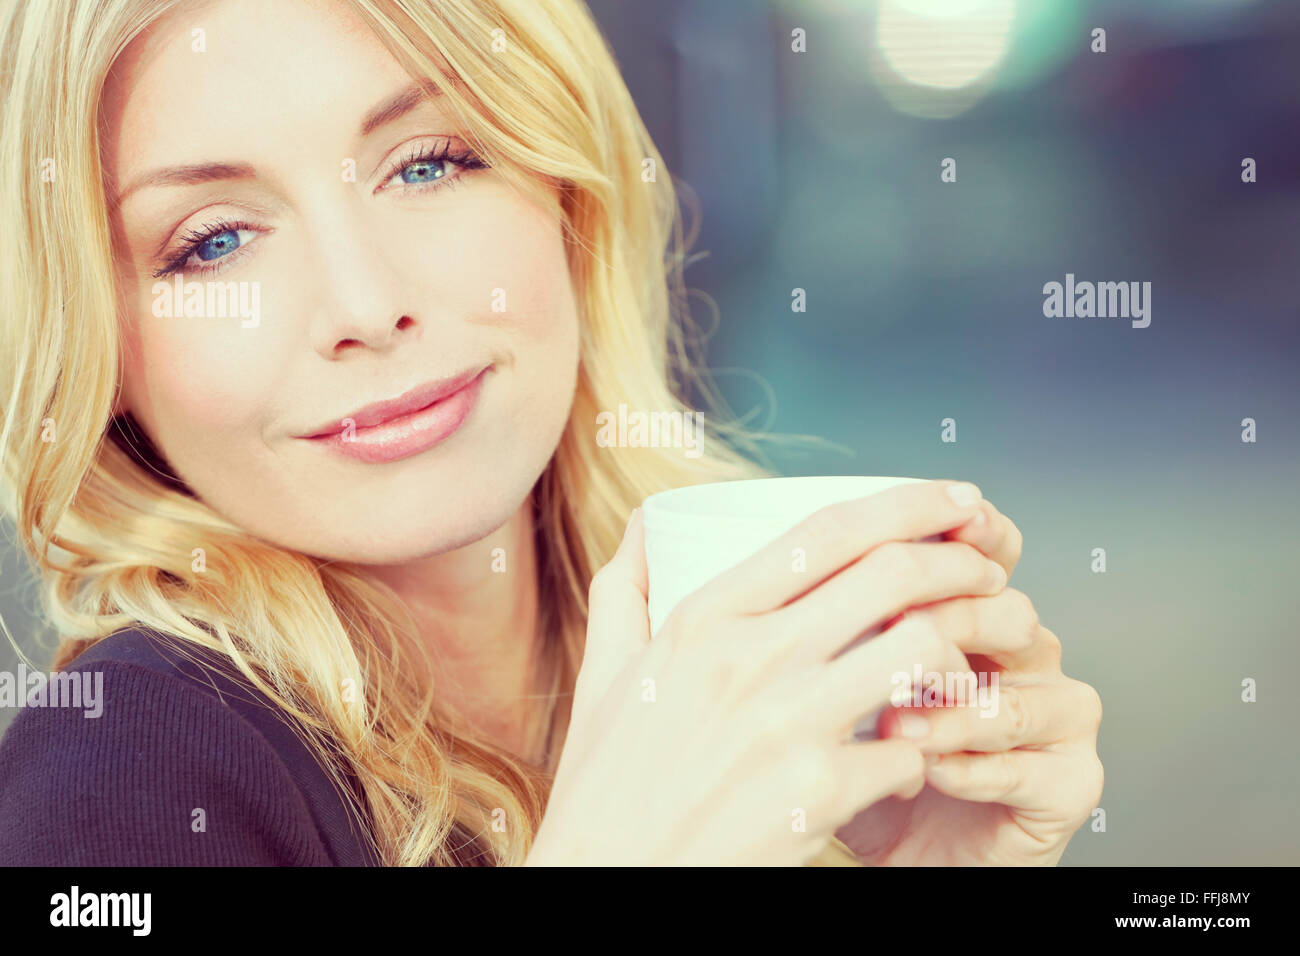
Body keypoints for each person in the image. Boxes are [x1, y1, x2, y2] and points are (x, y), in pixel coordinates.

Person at [0, 0, 1102, 866]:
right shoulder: (119, 775)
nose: (362, 304)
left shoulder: (711, 652)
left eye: (427, 162)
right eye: (213, 242)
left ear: (566, 192)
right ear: (102, 353)